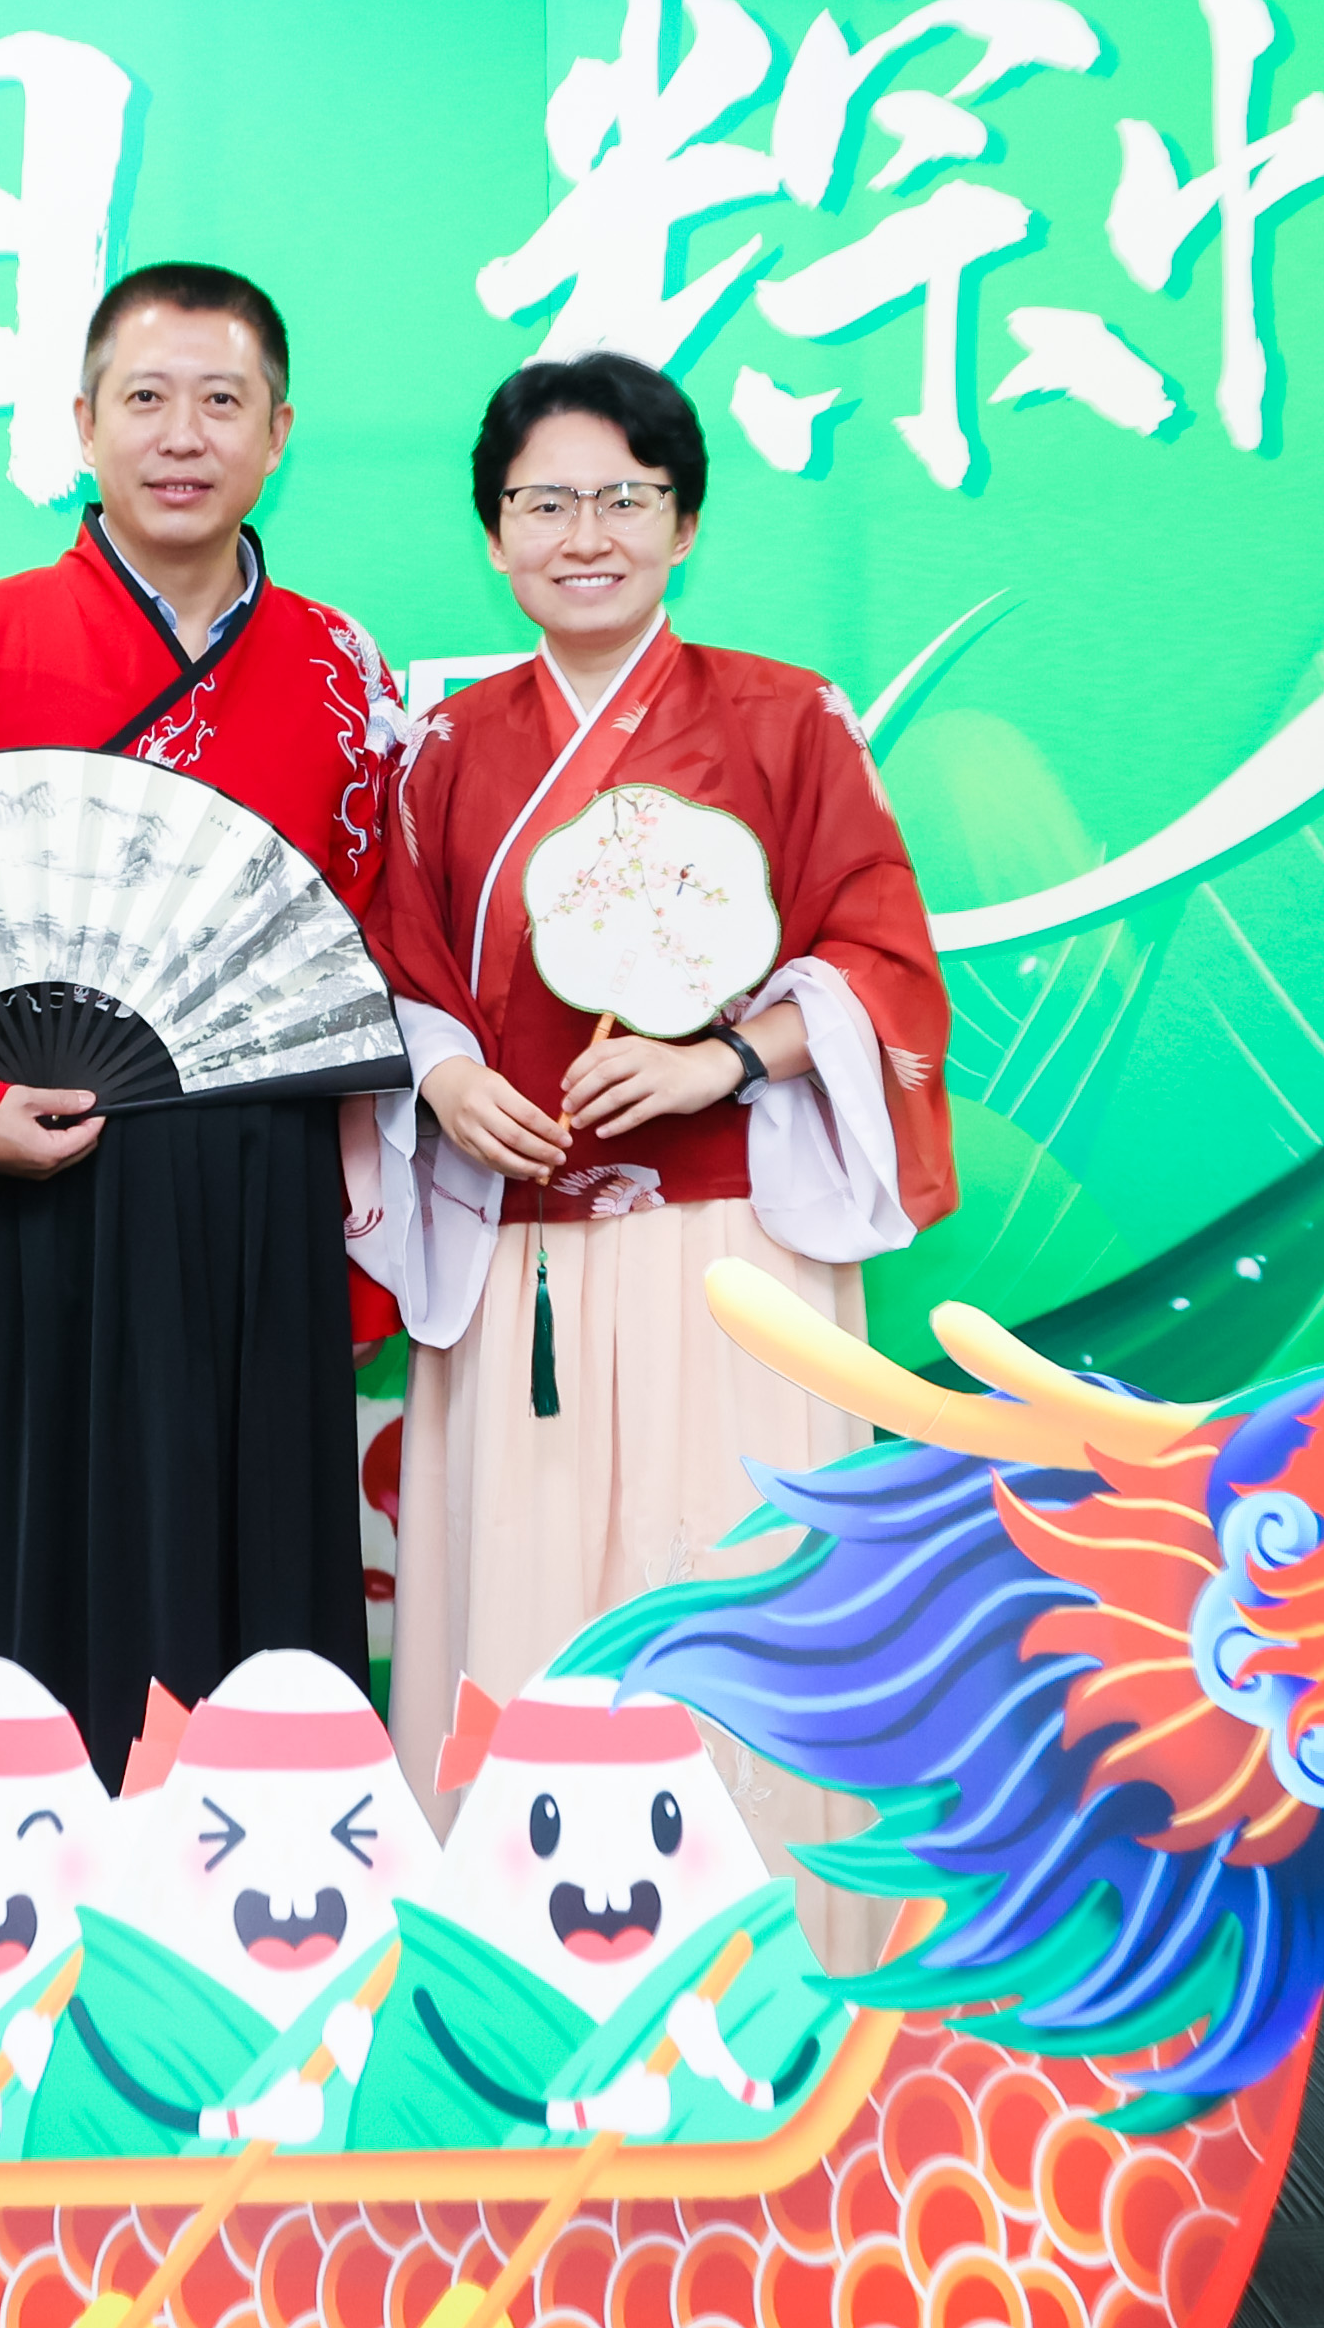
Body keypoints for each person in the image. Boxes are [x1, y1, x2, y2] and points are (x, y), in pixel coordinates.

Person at [351, 351, 952, 1968]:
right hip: (523, 1250)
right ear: (495, 534)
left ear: (684, 522)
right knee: (528, 1607)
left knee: (732, 1588)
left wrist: (722, 1057)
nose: (586, 534)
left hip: (731, 1244)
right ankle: (513, 1977)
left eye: (626, 497)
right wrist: (447, 1074)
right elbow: (395, 971)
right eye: (545, 501)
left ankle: (776, 1974)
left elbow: (886, 964)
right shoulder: (442, 748)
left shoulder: (786, 718)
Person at [0, 263, 401, 1788]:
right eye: (146, 398)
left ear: (278, 432)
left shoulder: (341, 673)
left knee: (252, 1593)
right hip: (34, 1186)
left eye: (221, 400)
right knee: (30, 1593)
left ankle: (260, 1901)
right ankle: (5, 1895)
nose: (181, 434)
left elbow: (380, 946)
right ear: (83, 424)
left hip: (257, 1197)